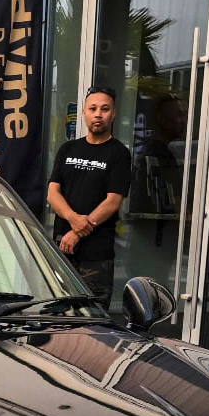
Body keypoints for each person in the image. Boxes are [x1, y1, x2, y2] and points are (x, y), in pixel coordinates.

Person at [46, 86, 131, 307]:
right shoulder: (68, 149)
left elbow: (112, 201)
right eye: (92, 108)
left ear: (113, 114)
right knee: (57, 316)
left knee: (94, 321)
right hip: (62, 250)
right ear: (84, 112)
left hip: (96, 256)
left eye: (104, 109)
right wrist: (73, 219)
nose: (98, 114)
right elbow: (52, 192)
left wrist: (77, 232)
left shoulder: (119, 154)